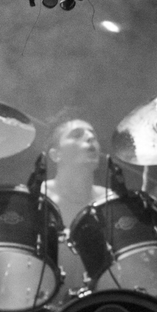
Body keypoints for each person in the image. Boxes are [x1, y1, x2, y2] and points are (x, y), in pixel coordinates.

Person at [40, 118, 112, 301]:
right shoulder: (37, 199)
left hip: (104, 306)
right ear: (56, 155)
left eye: (93, 135)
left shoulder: (109, 201)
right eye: (77, 135)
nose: (90, 138)